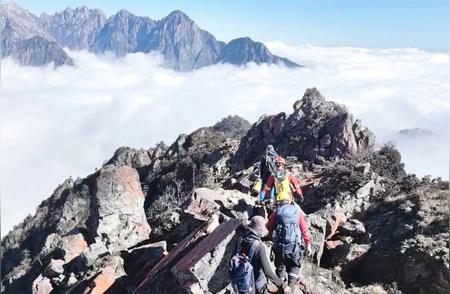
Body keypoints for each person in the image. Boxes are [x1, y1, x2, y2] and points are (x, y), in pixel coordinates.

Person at [266, 199, 312, 294]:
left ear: (280, 203)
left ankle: (283, 288)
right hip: (294, 247)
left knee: (280, 267)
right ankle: (290, 288)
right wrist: (308, 245)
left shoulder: (276, 213)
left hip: (280, 247)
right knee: (294, 267)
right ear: (291, 202)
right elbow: (305, 230)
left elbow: (267, 228)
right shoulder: (297, 213)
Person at [232, 216, 286, 294]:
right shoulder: (259, 247)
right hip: (257, 279)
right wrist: (282, 284)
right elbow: (267, 272)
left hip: (243, 278)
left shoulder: (240, 239)